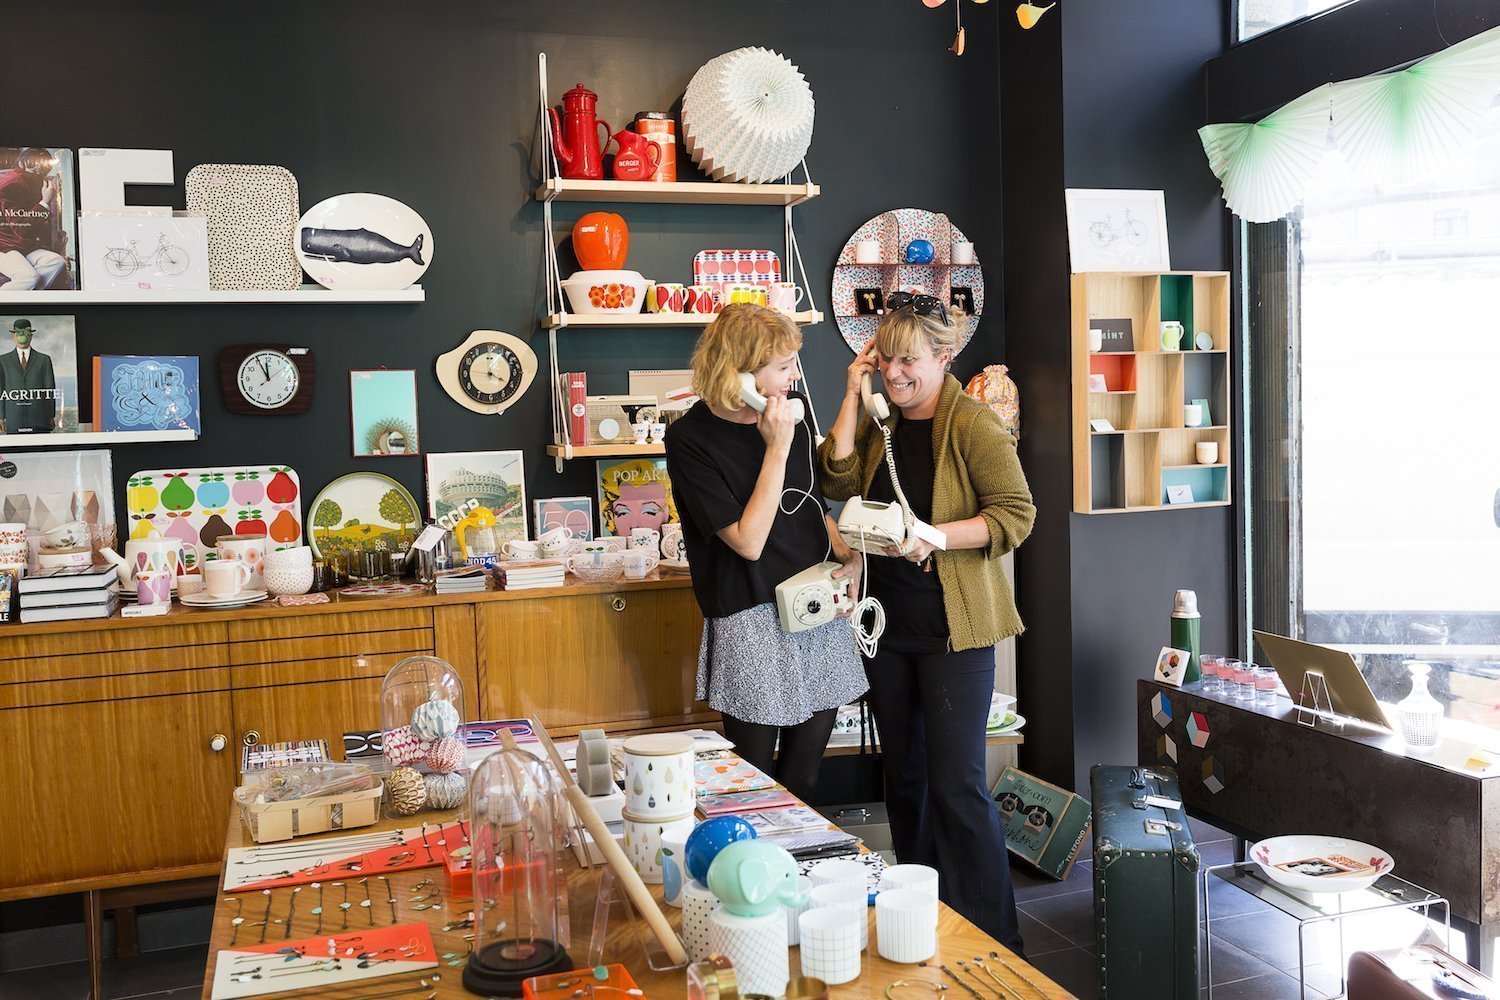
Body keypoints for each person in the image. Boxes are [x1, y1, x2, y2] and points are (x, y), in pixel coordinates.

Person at [817, 293, 1035, 953]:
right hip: (890, 630)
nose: (896, 375)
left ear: (945, 357)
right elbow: (837, 474)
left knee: (958, 783)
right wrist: (854, 393)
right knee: (904, 780)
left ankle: (998, 940)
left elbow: (1016, 515)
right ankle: (925, 920)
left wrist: (935, 536)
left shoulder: (971, 425)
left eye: (909, 362)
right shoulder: (885, 418)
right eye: (885, 362)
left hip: (952, 632)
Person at [665, 304, 866, 800]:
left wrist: (845, 551)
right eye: (783, 366)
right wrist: (775, 446)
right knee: (750, 781)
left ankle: (795, 872)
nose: (794, 376)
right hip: (751, 615)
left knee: (805, 776)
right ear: (739, 372)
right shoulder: (690, 439)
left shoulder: (787, 411)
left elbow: (809, 500)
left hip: (813, 601)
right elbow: (748, 541)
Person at [0, 148, 70, 291]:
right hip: (5, 247)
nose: (40, 172)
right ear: (24, 162)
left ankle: (29, 297)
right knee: (28, 277)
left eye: (44, 169)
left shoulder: (27, 181)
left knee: (56, 262)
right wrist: (45, 202)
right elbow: (21, 228)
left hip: (21, 246)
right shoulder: (12, 184)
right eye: (37, 167)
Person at [0, 318, 58, 432]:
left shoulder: (44, 360)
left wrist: (51, 415)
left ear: (31, 336)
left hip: (40, 419)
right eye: (18, 334)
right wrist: (0, 416)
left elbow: (49, 389)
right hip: (13, 419)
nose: (22, 337)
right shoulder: (2, 361)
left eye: (25, 333)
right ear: (13, 337)